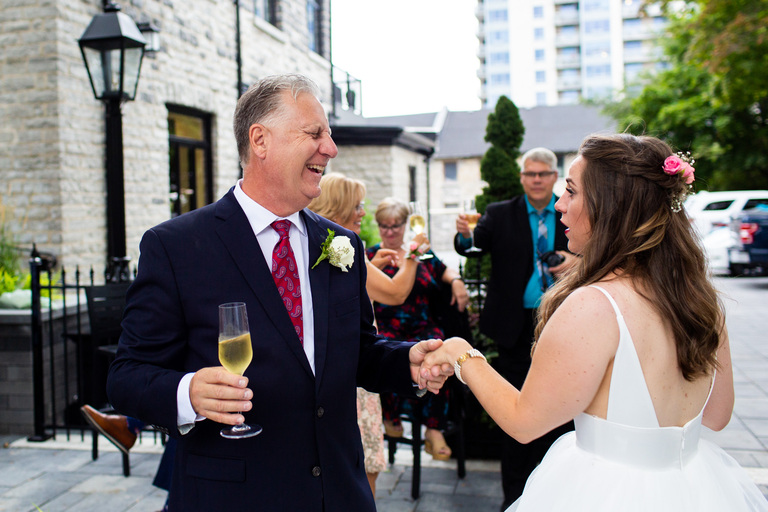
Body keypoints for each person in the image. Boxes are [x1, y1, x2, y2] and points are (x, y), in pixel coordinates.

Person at [106, 74, 448, 512]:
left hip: (339, 494)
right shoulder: (176, 246)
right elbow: (126, 376)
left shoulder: (340, 244)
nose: (330, 148)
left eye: (329, 134)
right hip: (232, 497)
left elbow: (358, 350)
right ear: (260, 140)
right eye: (315, 133)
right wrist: (187, 393)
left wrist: (406, 360)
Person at [426, 133, 768, 511]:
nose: (560, 204)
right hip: (694, 489)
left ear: (611, 206)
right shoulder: (700, 297)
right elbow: (717, 416)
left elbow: (525, 422)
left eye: (571, 191)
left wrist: (462, 354)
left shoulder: (594, 304)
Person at [454, 146, 577, 508]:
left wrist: (576, 261)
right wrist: (464, 235)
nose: (536, 180)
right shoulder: (499, 213)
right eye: (530, 174)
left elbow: (596, 251)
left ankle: (555, 494)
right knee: (515, 411)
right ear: (522, 177)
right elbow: (471, 247)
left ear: (555, 177)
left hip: (563, 324)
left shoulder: (571, 209)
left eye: (543, 174)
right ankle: (515, 499)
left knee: (561, 413)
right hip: (513, 329)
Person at [308, 171, 428, 496]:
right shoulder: (342, 245)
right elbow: (395, 292)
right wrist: (414, 254)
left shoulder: (320, 244)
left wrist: (368, 264)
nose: (363, 212)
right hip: (354, 377)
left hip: (330, 374)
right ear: (340, 206)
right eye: (358, 205)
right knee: (364, 470)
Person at [367, 197, 469, 461]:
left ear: (405, 225)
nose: (390, 232)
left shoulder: (420, 252)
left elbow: (443, 269)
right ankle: (390, 416)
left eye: (396, 226)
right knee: (385, 350)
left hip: (423, 326)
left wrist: (456, 280)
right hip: (388, 326)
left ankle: (433, 429)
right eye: (384, 226)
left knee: (439, 350)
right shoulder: (371, 257)